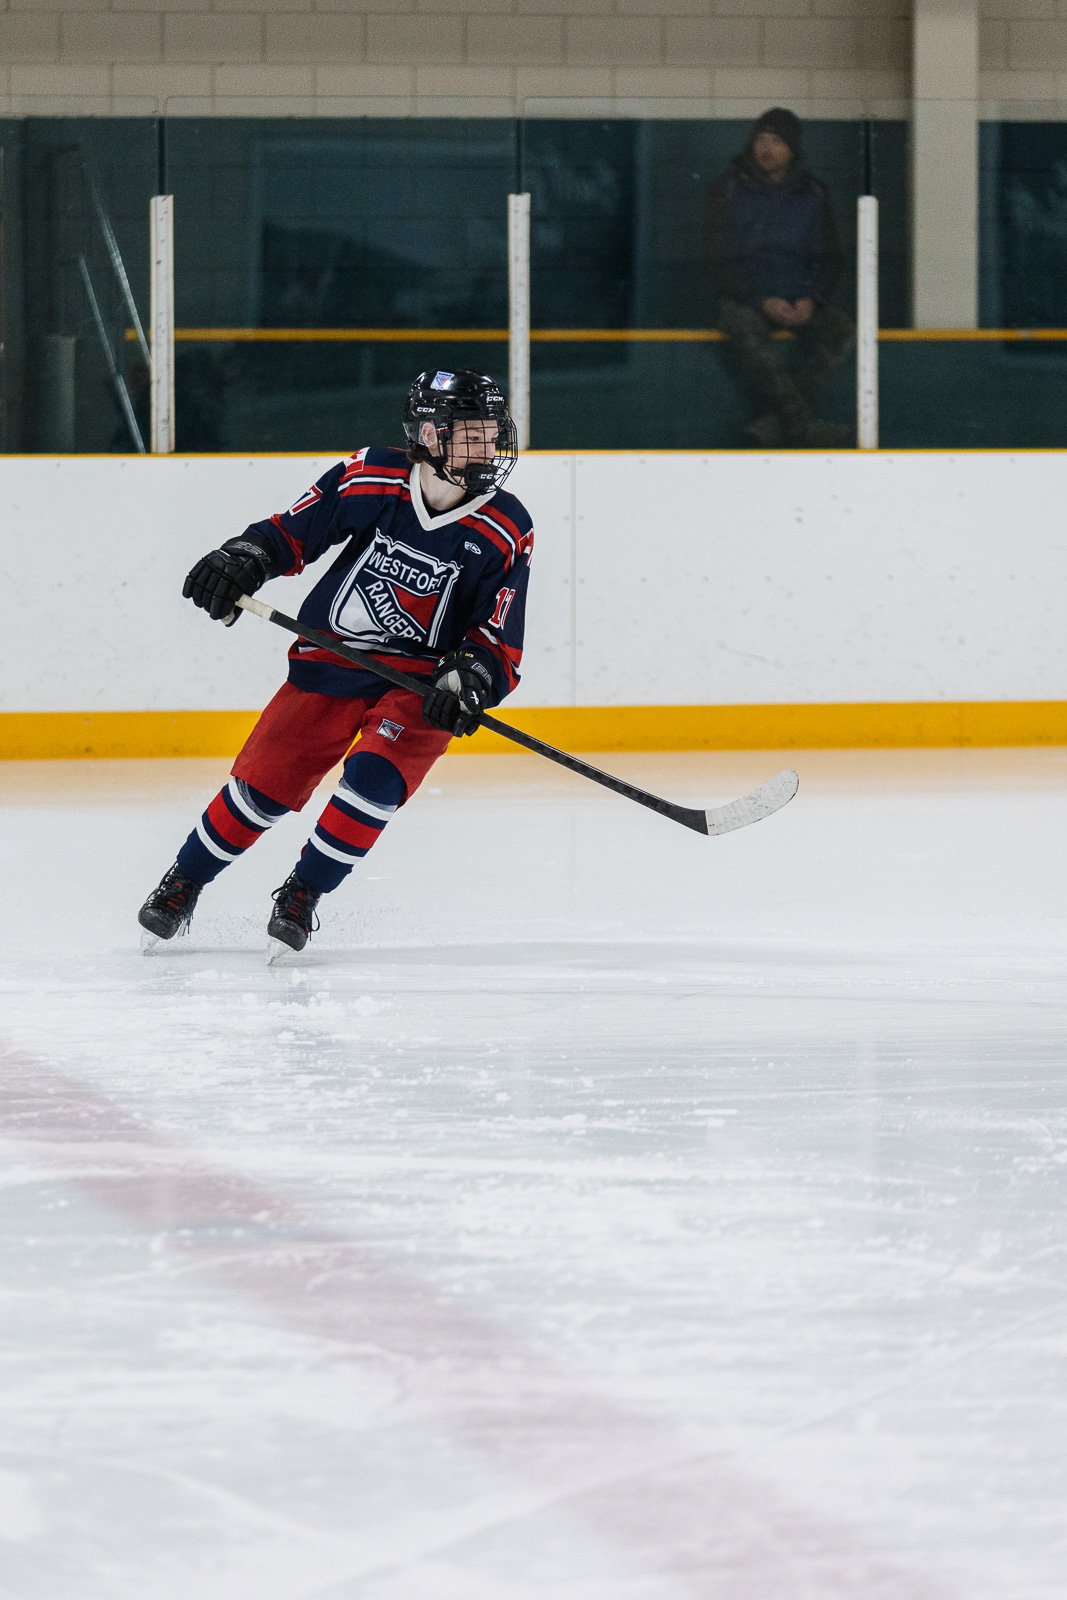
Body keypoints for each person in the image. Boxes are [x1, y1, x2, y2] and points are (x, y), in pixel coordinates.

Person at [137, 368, 533, 958]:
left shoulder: (506, 526)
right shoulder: (371, 474)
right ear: (430, 434)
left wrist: (470, 677)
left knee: (375, 782)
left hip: (419, 686)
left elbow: (497, 632)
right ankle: (184, 881)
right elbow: (290, 534)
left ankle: (303, 893)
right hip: (331, 660)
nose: (489, 448)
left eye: (492, 433)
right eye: (472, 433)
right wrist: (245, 557)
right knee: (263, 789)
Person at [708, 107, 855, 448]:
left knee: (844, 332)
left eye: (776, 141)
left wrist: (812, 299)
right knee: (740, 328)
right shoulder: (728, 189)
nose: (767, 148)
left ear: (792, 148)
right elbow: (717, 260)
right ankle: (801, 428)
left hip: (799, 299)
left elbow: (831, 258)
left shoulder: (814, 193)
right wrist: (760, 299)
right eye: (761, 139)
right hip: (748, 300)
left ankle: (777, 424)